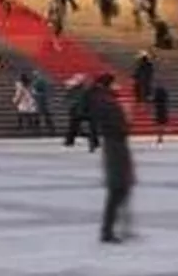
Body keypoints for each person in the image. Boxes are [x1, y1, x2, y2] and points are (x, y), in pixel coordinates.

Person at [96, 73, 137, 243]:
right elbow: (121, 129)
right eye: (115, 84)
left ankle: (116, 228)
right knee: (117, 191)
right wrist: (127, 117)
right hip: (116, 150)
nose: (118, 87)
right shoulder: (110, 104)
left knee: (120, 190)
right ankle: (108, 231)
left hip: (114, 148)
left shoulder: (106, 101)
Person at [61, 74, 99, 150]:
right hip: (85, 110)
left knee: (73, 127)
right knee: (90, 127)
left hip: (79, 111)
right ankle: (94, 141)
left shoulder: (76, 90)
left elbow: (68, 100)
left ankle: (69, 141)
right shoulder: (86, 90)